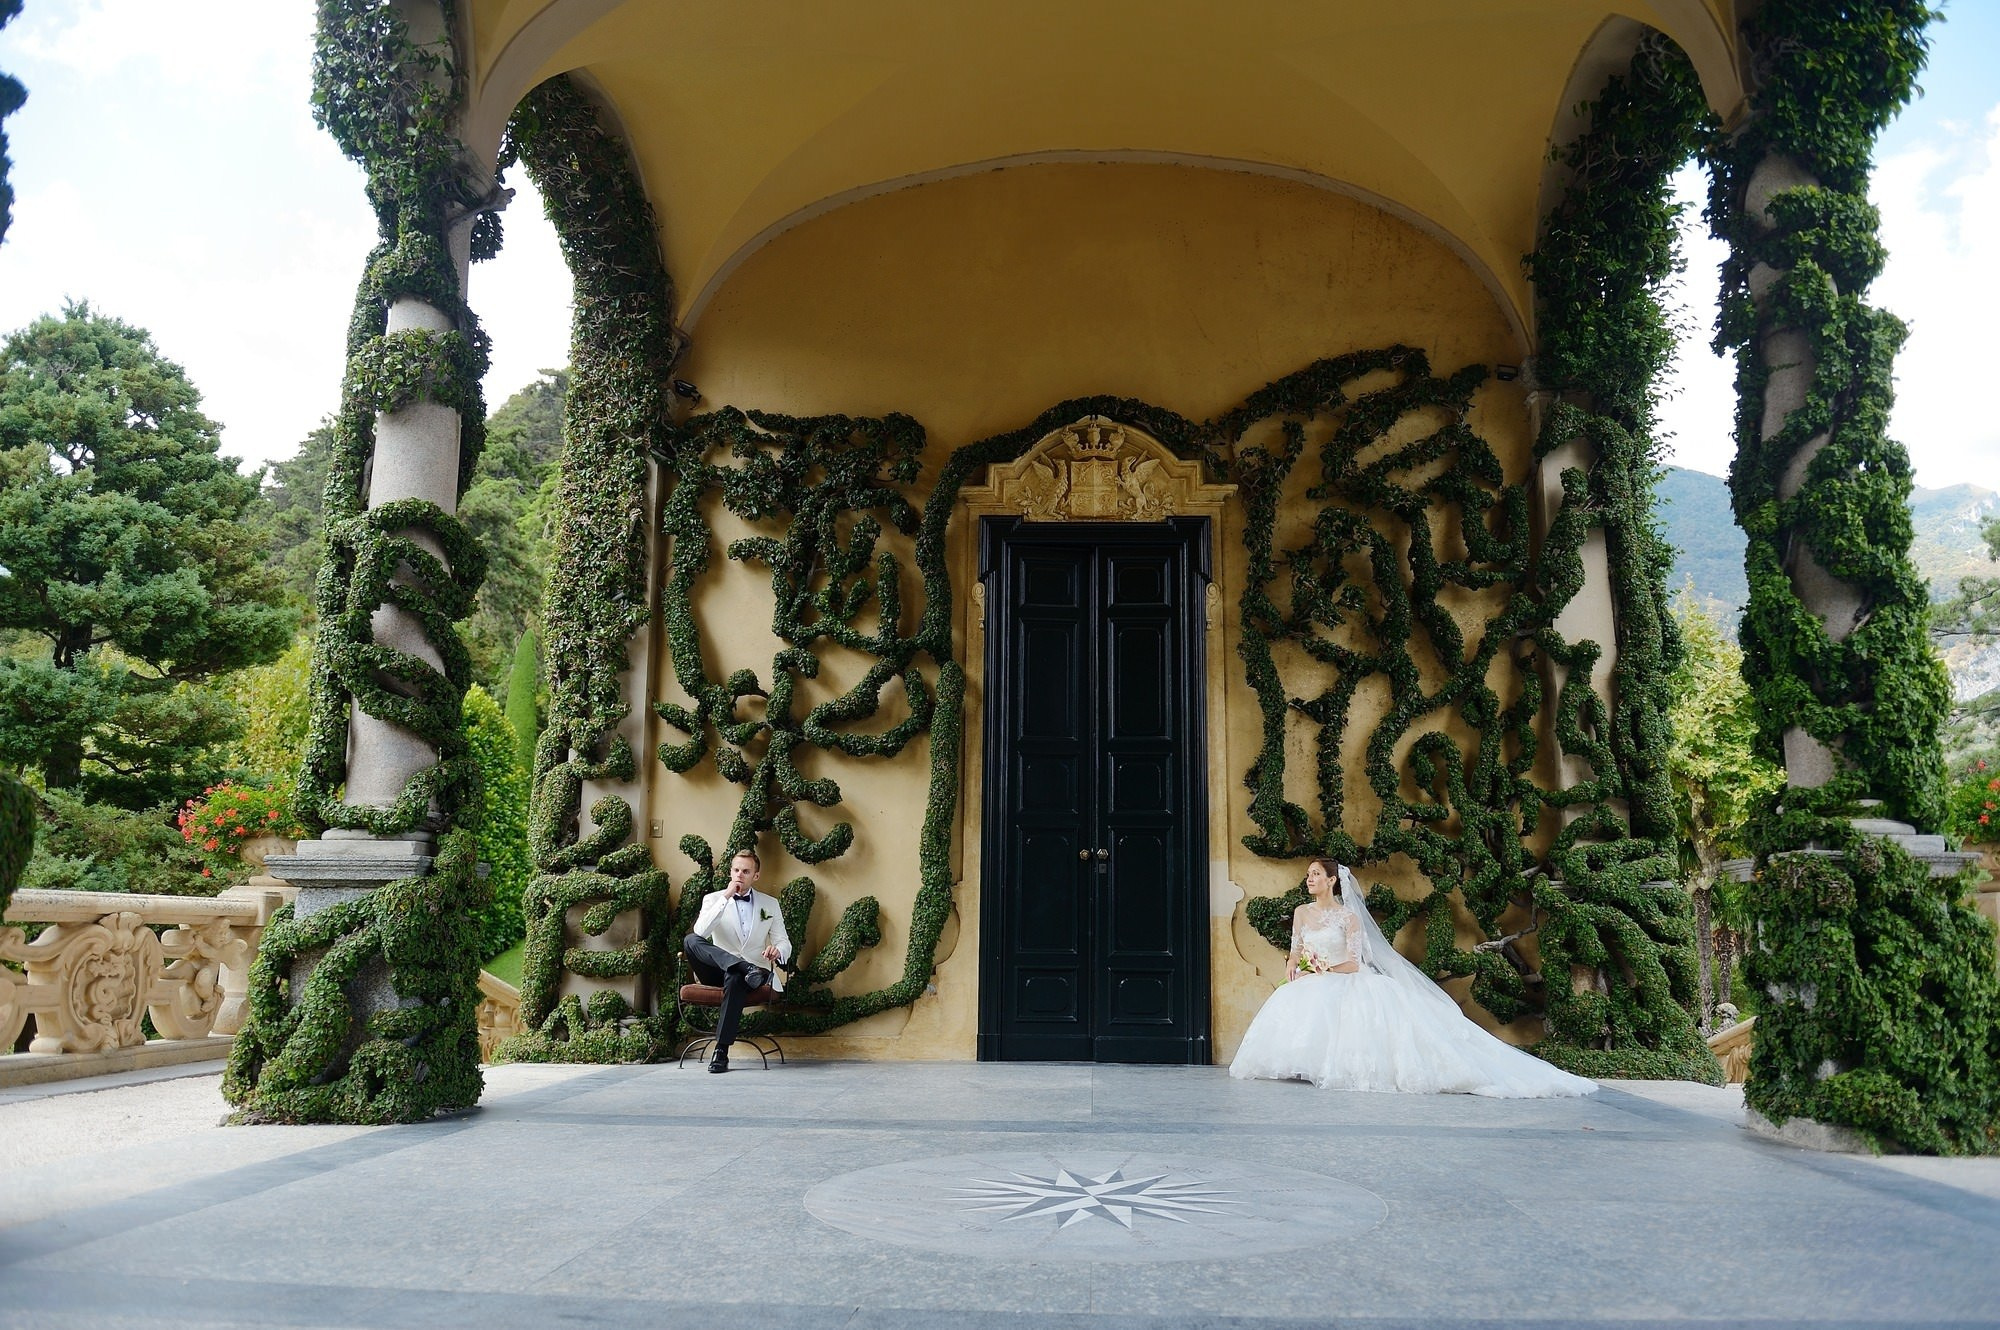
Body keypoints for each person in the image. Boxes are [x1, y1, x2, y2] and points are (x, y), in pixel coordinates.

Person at [1228, 857, 1596, 1097]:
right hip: (1311, 979)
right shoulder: (1301, 912)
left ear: (1332, 882)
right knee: (1295, 1007)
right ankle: (1301, 1067)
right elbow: (1295, 946)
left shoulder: (1348, 919)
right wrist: (1295, 964)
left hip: (1343, 978)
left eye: (1315, 875)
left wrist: (1324, 967)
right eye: (1307, 875)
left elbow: (1355, 963)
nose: (1308, 879)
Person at [684, 847, 792, 1073]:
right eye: (736, 870)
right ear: (730, 872)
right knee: (691, 941)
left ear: (756, 876)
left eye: (745, 871)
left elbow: (784, 942)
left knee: (735, 976)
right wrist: (726, 897)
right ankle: (744, 967)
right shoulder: (713, 899)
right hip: (717, 971)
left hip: (751, 976)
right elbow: (701, 931)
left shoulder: (770, 904)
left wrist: (777, 951)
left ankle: (721, 1052)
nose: (739, 875)